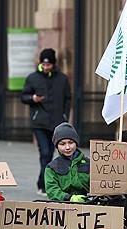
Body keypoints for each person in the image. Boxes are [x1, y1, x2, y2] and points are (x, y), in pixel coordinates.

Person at [21, 48, 72, 196]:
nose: (46, 67)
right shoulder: (32, 78)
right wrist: (33, 99)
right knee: (45, 153)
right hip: (39, 123)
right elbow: (24, 96)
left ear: (54, 64)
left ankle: (43, 183)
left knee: (52, 153)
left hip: (57, 123)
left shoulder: (62, 79)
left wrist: (64, 116)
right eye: (44, 64)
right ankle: (43, 185)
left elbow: (68, 98)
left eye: (48, 64)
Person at [44, 123, 89, 202]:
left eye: (71, 142)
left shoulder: (89, 163)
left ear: (76, 143)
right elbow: (52, 190)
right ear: (57, 146)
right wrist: (69, 198)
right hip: (62, 206)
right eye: (62, 144)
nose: (67, 147)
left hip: (89, 205)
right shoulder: (51, 168)